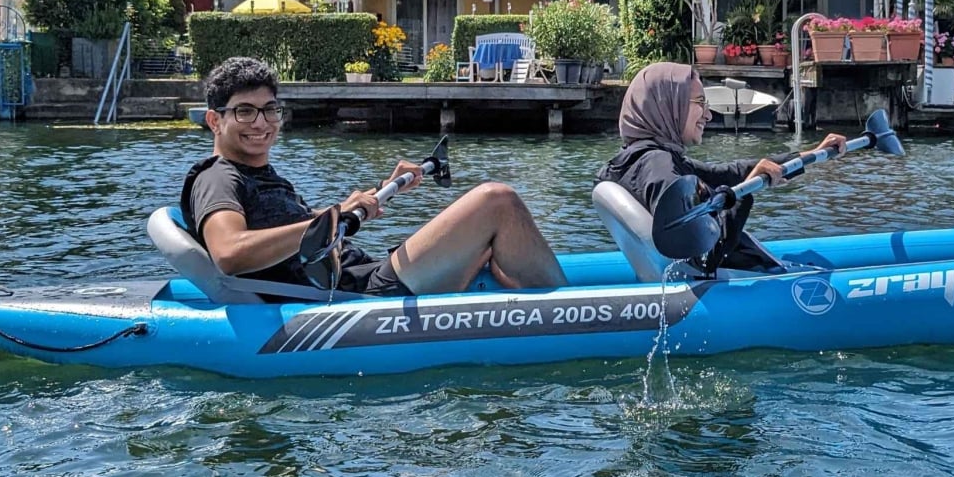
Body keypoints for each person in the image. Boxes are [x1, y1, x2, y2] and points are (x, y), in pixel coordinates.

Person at [182, 56, 568, 297]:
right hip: (361, 295)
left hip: (362, 274)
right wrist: (330, 217)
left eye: (270, 110)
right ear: (215, 120)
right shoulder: (218, 178)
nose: (261, 123)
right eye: (244, 112)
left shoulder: (258, 173)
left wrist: (375, 194)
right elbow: (230, 253)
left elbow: (305, 229)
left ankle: (543, 299)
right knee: (495, 200)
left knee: (488, 236)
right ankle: (575, 313)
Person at [596, 62, 849, 270]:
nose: (708, 115)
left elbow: (727, 173)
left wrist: (809, 155)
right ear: (667, 104)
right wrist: (746, 192)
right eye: (700, 103)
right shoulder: (657, 165)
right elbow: (706, 257)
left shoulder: (636, 162)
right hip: (732, 294)